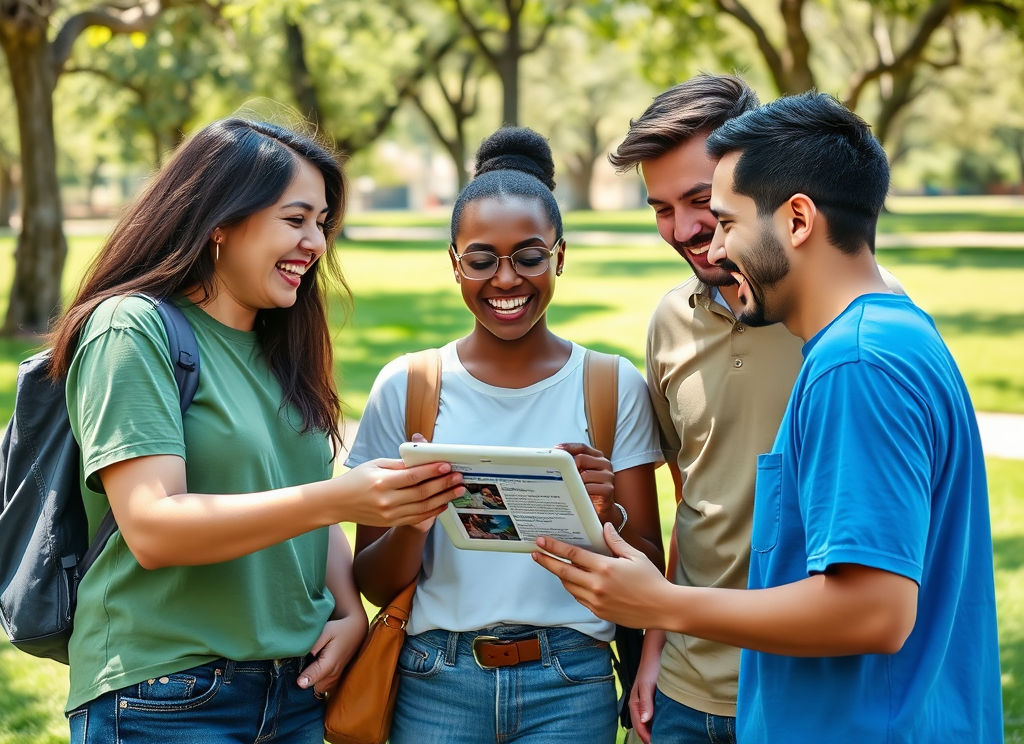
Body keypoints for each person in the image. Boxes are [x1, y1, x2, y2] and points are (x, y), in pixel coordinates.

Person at [535, 93, 1003, 743]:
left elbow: (875, 610)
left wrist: (658, 603)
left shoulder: (855, 363)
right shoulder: (883, 339)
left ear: (798, 220)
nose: (709, 243)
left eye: (724, 218)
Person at [51, 117, 466, 743]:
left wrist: (349, 612)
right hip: (164, 696)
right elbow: (154, 528)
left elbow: (299, 492)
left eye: (322, 223)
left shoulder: (280, 343)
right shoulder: (130, 330)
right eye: (296, 220)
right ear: (220, 221)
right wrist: (341, 499)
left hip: (293, 692)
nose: (318, 243)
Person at [606, 74, 904, 744]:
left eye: (702, 201)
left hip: (807, 689)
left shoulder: (848, 332)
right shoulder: (668, 323)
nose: (683, 230)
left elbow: (881, 580)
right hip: (686, 684)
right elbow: (695, 499)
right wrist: (656, 645)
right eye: (660, 208)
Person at [348, 126, 665, 744]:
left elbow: (650, 569)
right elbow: (374, 582)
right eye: (481, 259)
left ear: (560, 256)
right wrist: (416, 516)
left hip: (568, 683)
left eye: (528, 256)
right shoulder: (409, 386)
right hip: (435, 678)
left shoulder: (609, 385)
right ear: (454, 263)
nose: (506, 280)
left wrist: (605, 517)